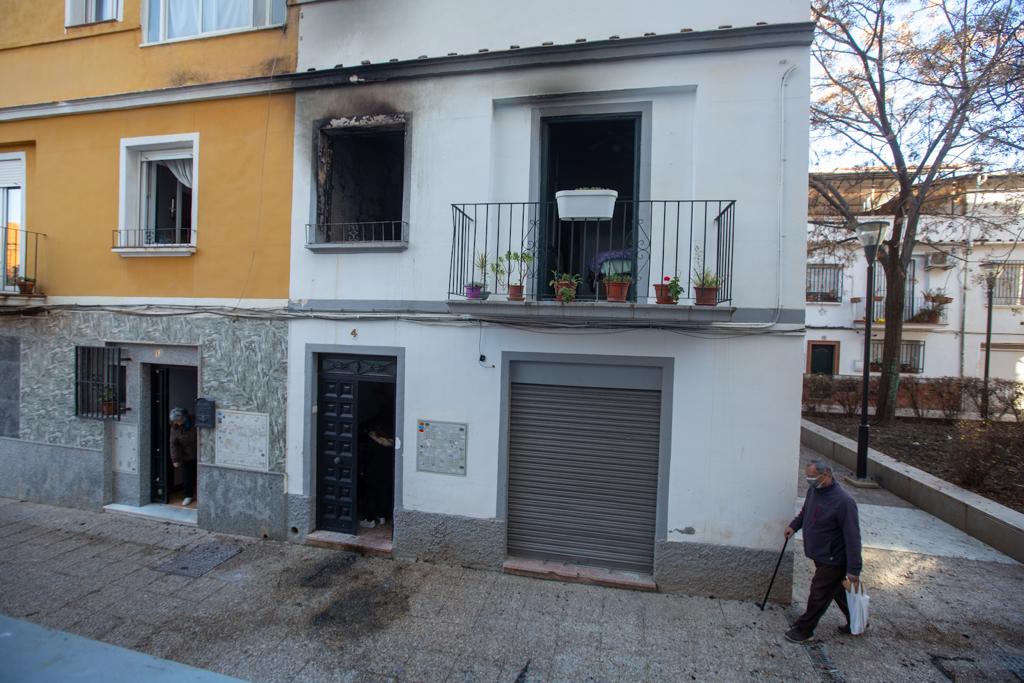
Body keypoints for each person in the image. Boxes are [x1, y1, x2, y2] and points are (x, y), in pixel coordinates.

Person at [783, 458, 862, 643]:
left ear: (825, 475)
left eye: (812, 476)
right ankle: (858, 620)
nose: (808, 480)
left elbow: (853, 537)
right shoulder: (814, 490)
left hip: (834, 558)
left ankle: (804, 630)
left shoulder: (844, 502)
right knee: (838, 590)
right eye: (807, 476)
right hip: (821, 553)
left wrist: (854, 569)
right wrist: (794, 526)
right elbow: (806, 512)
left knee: (819, 592)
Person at [169, 407, 197, 506]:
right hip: (186, 455)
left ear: (184, 418)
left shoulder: (195, 421)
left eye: (178, 421)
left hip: (200, 453)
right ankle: (188, 496)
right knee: (187, 477)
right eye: (175, 421)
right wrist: (175, 459)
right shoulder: (174, 427)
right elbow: (173, 444)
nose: (177, 423)